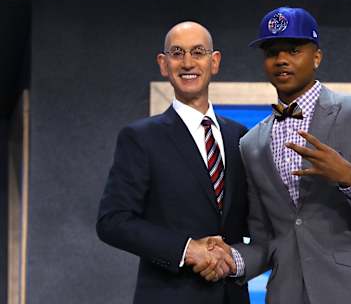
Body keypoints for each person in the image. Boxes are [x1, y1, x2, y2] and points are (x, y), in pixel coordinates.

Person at [209, 6, 351, 304]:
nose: (281, 60)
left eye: (293, 50)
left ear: (316, 57)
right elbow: (267, 241)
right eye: (271, 52)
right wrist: (229, 259)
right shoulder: (251, 144)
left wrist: (349, 177)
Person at [96, 21, 250, 304]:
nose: (188, 62)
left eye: (198, 52)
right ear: (163, 64)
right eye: (177, 53)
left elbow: (256, 224)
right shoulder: (141, 138)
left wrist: (234, 259)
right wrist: (188, 249)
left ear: (214, 61)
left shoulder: (241, 138)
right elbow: (112, 221)